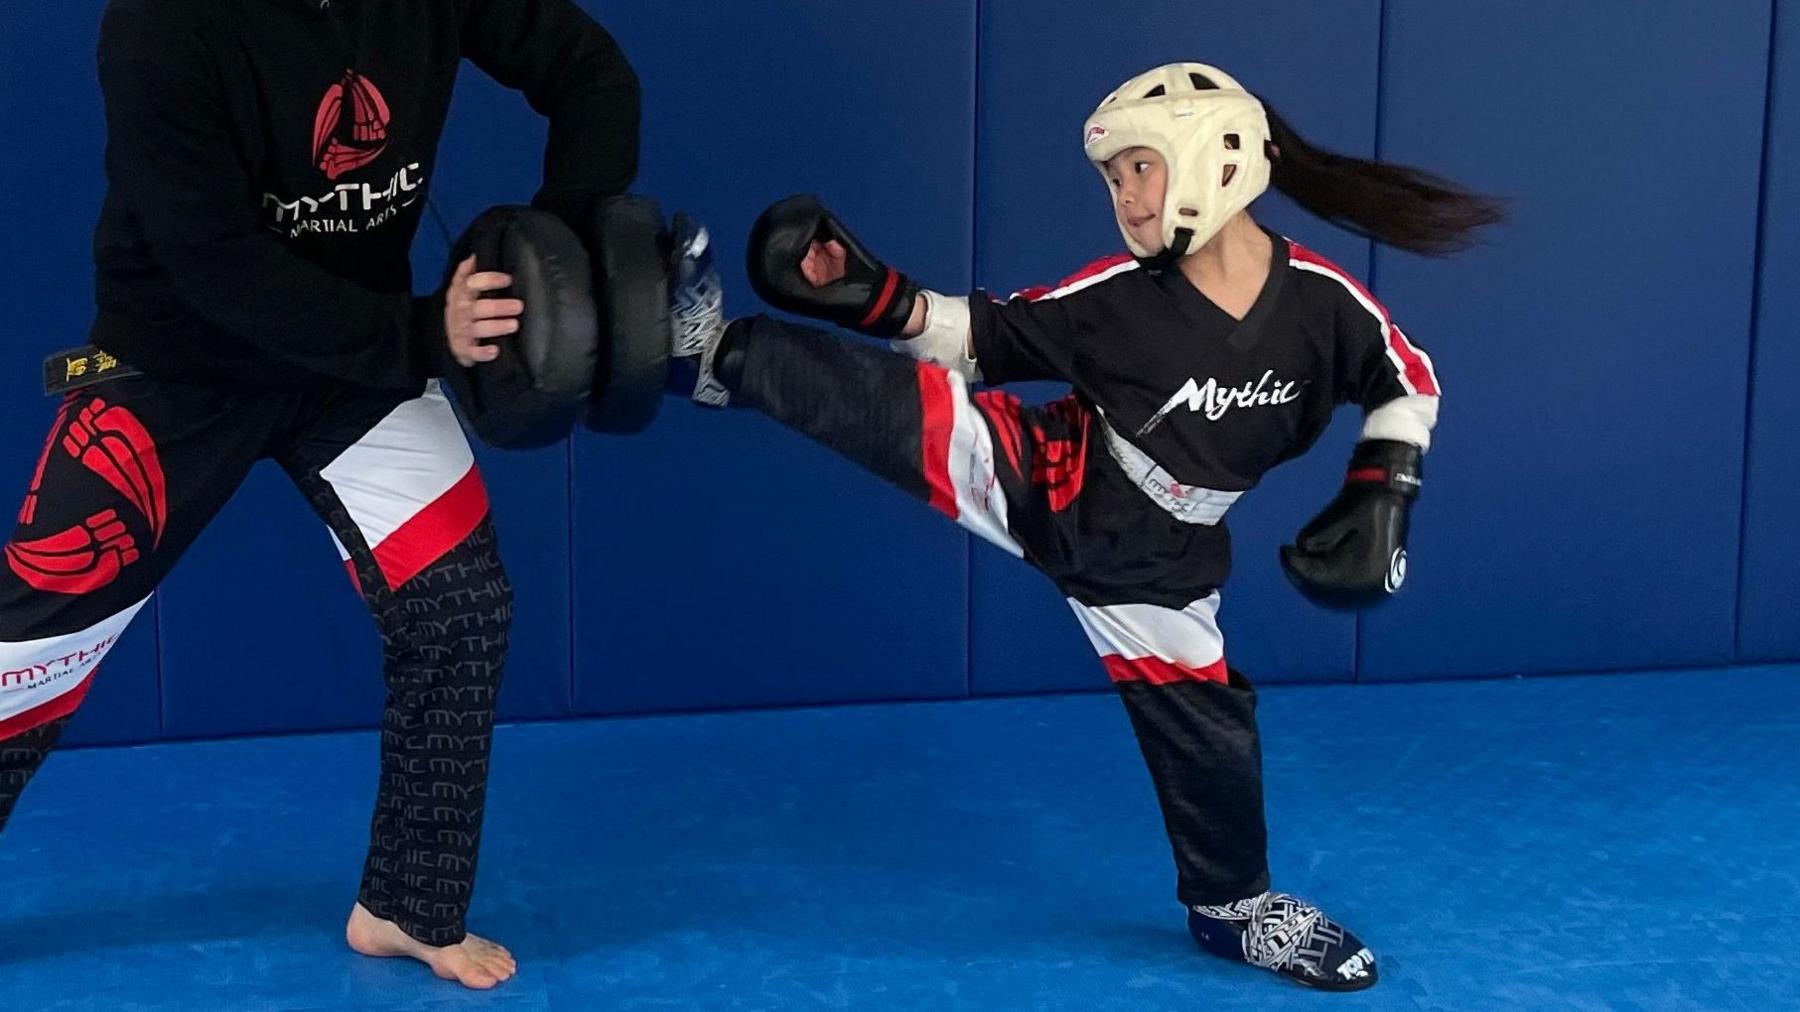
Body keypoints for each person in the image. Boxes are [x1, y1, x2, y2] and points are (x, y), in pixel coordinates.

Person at [668, 62, 1502, 991]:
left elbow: (1409, 378)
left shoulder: (1321, 305)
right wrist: (872, 293)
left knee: (1212, 730)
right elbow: (974, 338)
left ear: (1215, 155)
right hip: (1055, 476)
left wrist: (1383, 489)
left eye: (1140, 168)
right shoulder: (1119, 296)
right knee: (894, 412)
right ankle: (713, 357)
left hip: (1161, 558)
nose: (1127, 197)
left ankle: (1235, 912)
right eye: (1113, 180)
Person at [0, 0, 640, 989]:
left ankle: (407, 906)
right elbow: (215, 264)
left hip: (352, 364)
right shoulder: (161, 28)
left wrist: (558, 249)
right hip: (179, 369)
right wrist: (428, 334)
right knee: (26, 655)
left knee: (461, 610)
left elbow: (593, 73)